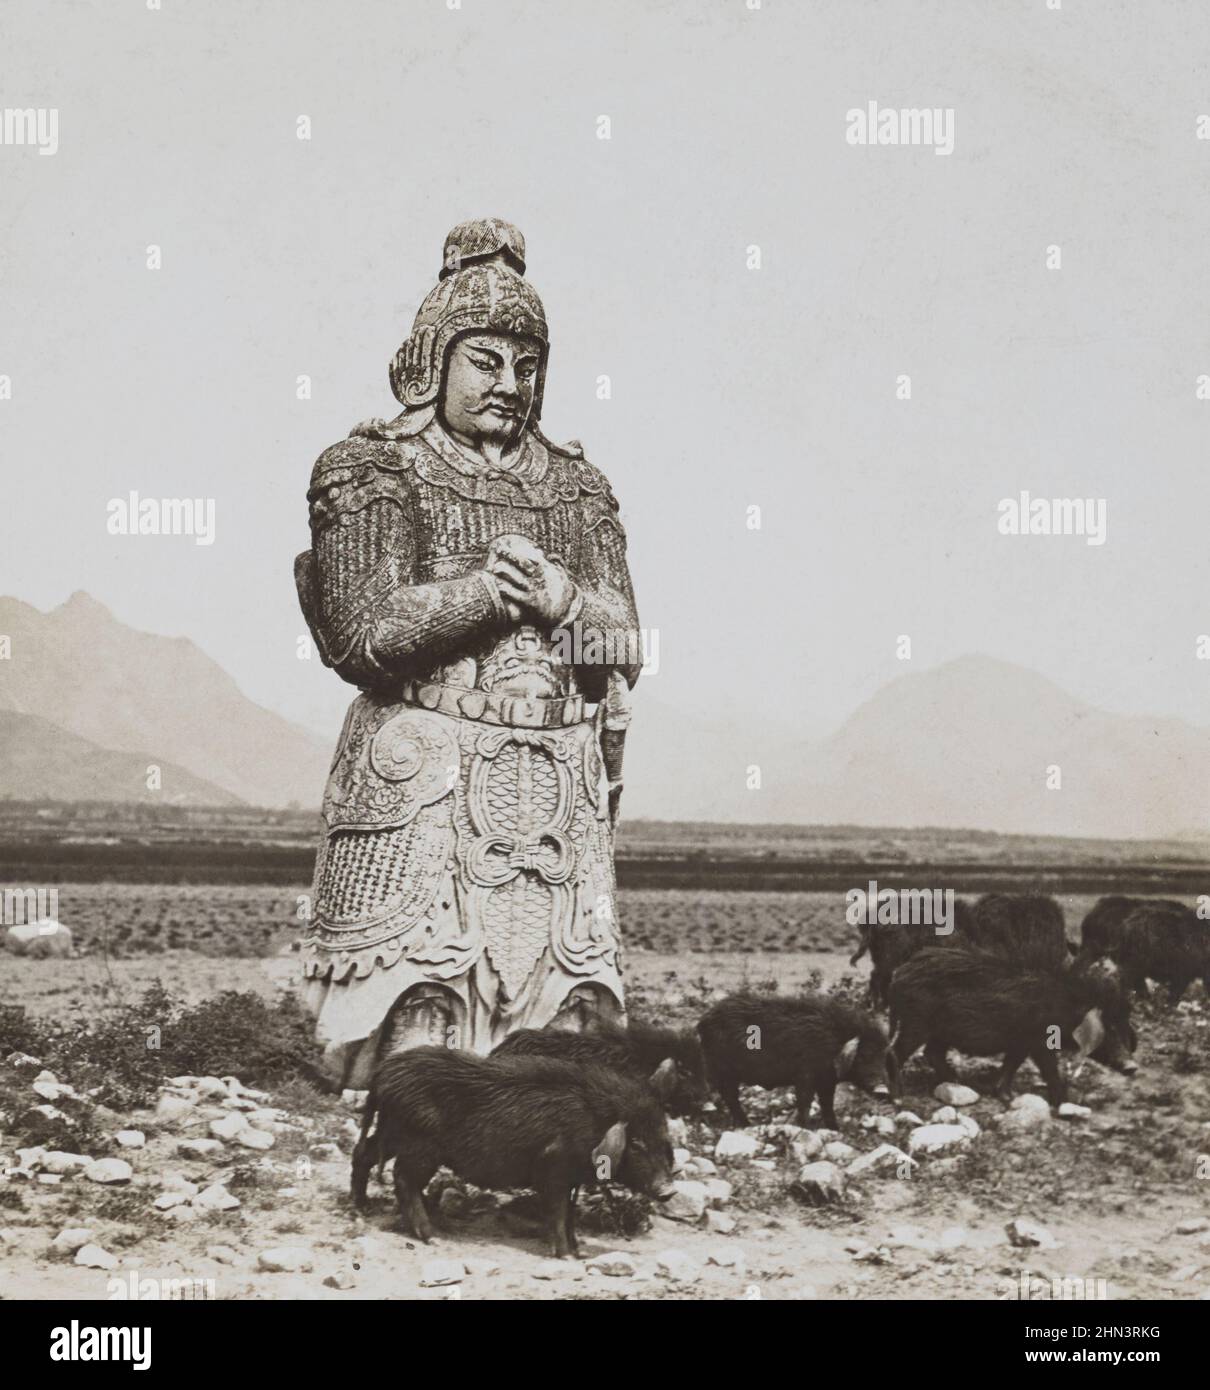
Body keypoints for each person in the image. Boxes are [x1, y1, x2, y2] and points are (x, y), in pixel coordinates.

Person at [294, 218, 642, 1085]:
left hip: (557, 776)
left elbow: (628, 644)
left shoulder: (579, 486)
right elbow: (363, 633)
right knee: (416, 1015)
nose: (510, 383)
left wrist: (565, 602)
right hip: (428, 773)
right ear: (436, 359)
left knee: (563, 1034)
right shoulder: (374, 466)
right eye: (486, 360)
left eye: (527, 365)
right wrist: (486, 596)